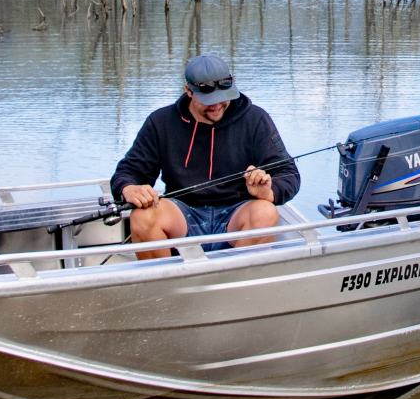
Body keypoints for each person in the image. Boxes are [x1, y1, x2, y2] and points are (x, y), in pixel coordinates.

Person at [110, 54, 300, 259]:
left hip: (237, 213)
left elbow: (288, 174)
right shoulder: (161, 122)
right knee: (142, 216)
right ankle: (165, 287)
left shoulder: (255, 119)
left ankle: (234, 283)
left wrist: (268, 192)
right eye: (208, 100)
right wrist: (129, 189)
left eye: (222, 98)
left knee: (266, 212)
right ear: (188, 91)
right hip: (182, 211)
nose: (217, 105)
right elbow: (128, 172)